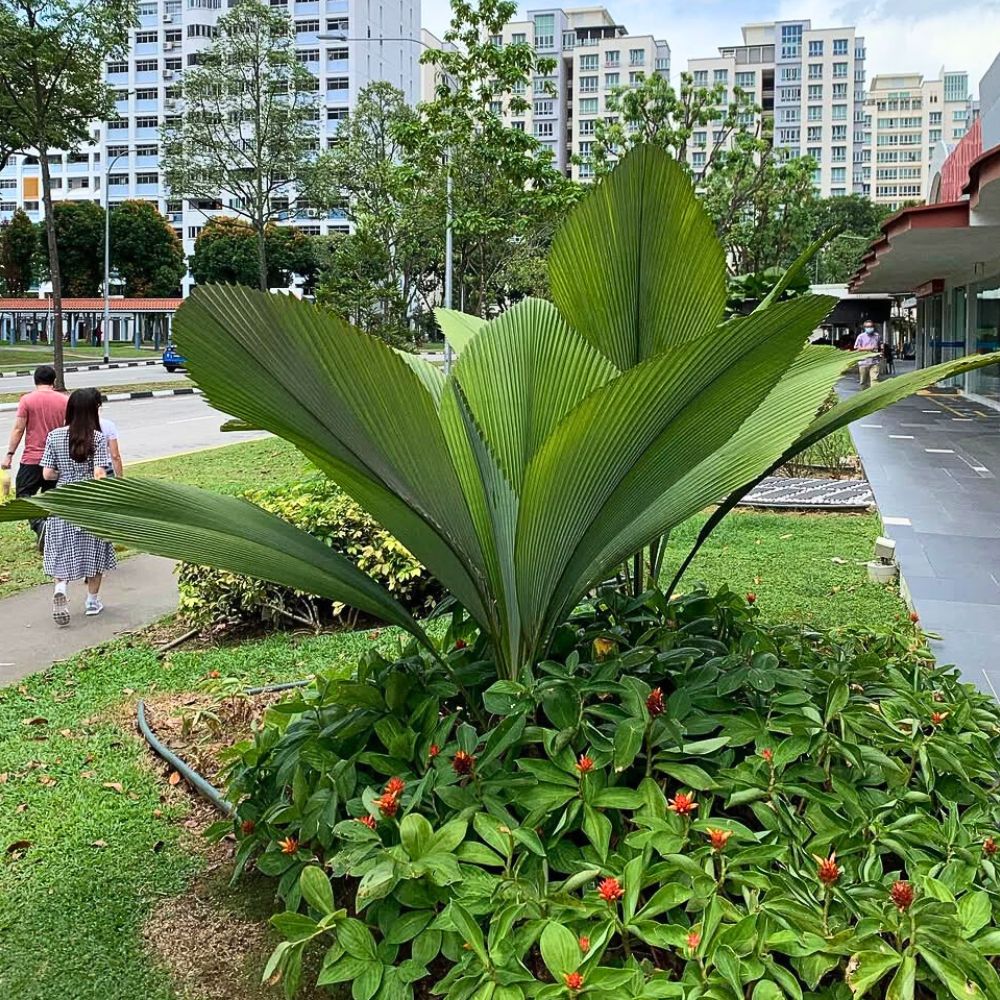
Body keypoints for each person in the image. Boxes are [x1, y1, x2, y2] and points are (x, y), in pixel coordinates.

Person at [41, 389, 116, 625]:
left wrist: (63, 473)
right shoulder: (96, 437)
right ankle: (92, 602)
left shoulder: (54, 436)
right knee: (95, 549)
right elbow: (99, 474)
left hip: (63, 499)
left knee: (62, 546)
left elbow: (47, 473)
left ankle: (60, 588)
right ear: (92, 410)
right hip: (89, 501)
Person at [1, 365, 68, 538]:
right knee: (51, 498)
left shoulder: (27, 400)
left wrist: (9, 455)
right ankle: (49, 535)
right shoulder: (64, 401)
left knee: (23, 494)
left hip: (32, 458)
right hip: (56, 460)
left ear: (35, 380)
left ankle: (40, 526)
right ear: (53, 381)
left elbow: (18, 429)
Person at [853, 321, 881, 389]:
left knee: (875, 380)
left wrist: (881, 353)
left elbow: (880, 345)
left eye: (871, 326)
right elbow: (856, 348)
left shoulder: (877, 336)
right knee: (863, 382)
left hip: (874, 361)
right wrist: (868, 348)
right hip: (864, 362)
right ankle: (864, 396)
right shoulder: (861, 337)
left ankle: (874, 396)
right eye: (868, 327)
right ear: (864, 328)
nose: (870, 328)